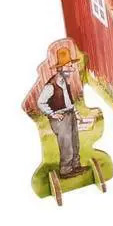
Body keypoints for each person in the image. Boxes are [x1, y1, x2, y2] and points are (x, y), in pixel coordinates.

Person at [35, 45, 84, 178]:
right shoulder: (51, 85)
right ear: (60, 68)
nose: (71, 68)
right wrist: (52, 114)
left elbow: (68, 101)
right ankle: (66, 170)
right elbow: (40, 102)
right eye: (68, 65)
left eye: (71, 65)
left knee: (75, 141)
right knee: (66, 144)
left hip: (70, 114)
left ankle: (76, 166)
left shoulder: (66, 81)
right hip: (61, 118)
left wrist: (75, 112)